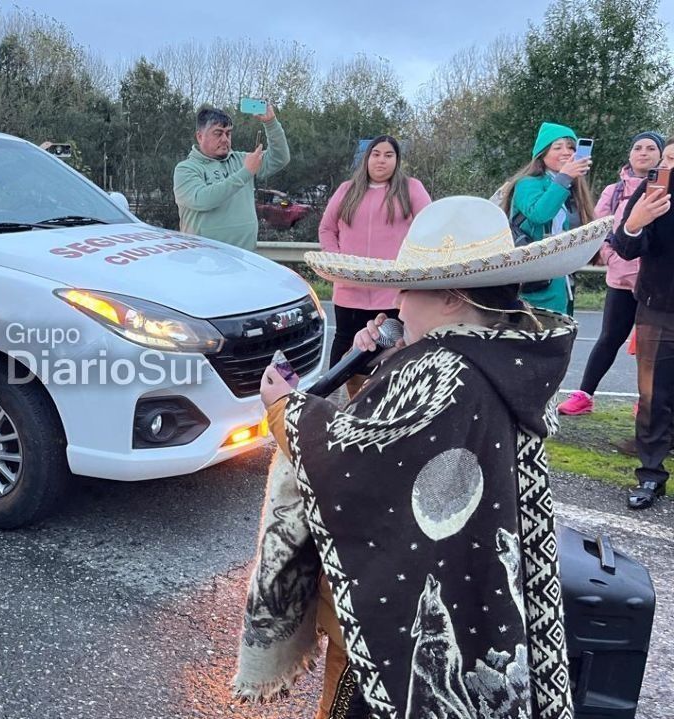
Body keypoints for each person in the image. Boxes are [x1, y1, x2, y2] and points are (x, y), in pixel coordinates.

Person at [234, 196, 611, 718]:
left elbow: (358, 463)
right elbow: (403, 439)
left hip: (406, 602)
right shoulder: (499, 352)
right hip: (463, 578)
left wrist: (284, 410)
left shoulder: (445, 370)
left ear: (452, 297)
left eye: (408, 289)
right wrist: (383, 362)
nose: (398, 304)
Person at [317, 134, 431, 396]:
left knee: (388, 356)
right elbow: (326, 228)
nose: (381, 160)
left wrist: (412, 264)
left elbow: (429, 225)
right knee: (344, 354)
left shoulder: (411, 188)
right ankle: (333, 407)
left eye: (388, 155)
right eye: (376, 154)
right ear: (366, 158)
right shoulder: (347, 189)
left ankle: (383, 408)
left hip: (391, 294)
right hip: (349, 291)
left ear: (397, 160)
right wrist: (338, 262)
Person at [560, 131, 664, 416]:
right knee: (609, 338)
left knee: (650, 346)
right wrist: (609, 256)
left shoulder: (666, 189)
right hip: (620, 278)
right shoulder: (613, 191)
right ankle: (583, 395)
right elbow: (599, 229)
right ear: (630, 155)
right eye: (637, 147)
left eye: (651, 148)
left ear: (661, 155)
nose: (643, 152)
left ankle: (647, 401)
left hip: (657, 285)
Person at [612, 162, 674, 510]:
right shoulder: (657, 189)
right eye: (667, 159)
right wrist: (637, 221)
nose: (669, 165)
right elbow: (625, 244)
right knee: (653, 398)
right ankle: (651, 474)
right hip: (659, 307)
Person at [499, 122, 595, 314]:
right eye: (557, 147)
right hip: (533, 278)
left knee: (561, 338)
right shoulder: (527, 183)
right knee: (534, 338)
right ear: (542, 154)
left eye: (571, 147)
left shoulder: (573, 189)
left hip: (563, 280)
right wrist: (564, 178)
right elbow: (539, 215)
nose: (566, 152)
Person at [173, 104, 291, 251]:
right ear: (200, 136)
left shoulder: (241, 159)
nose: (224, 139)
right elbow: (203, 200)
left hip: (244, 258)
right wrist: (246, 172)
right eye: (218, 133)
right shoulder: (185, 169)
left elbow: (280, 158)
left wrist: (271, 123)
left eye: (228, 133)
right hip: (203, 262)